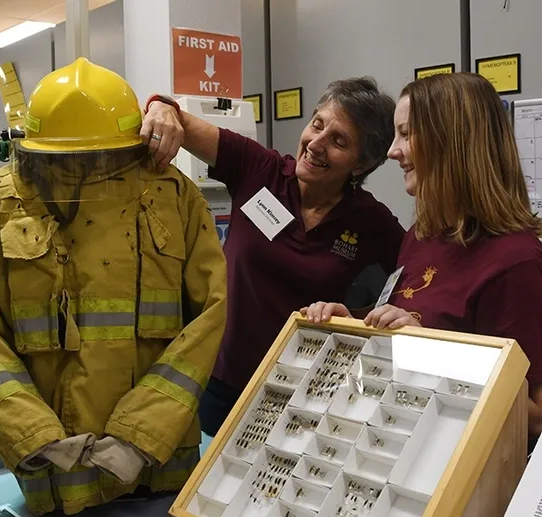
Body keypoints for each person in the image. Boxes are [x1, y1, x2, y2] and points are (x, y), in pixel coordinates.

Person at [0, 58, 227, 516]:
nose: (89, 166)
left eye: (102, 155)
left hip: (162, 472)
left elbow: (208, 319)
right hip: (52, 476)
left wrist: (143, 434)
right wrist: (31, 435)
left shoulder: (175, 199)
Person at [142, 79, 405, 436]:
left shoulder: (371, 222)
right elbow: (177, 117)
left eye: (339, 140)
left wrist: (356, 319)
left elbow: (408, 283)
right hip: (220, 380)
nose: (316, 143)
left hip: (304, 396)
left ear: (361, 165)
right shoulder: (259, 170)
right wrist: (159, 106)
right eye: (316, 124)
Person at [302, 72, 542, 445]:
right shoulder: (422, 235)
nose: (393, 151)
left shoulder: (516, 262)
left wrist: (433, 349)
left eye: (407, 134)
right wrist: (360, 329)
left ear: (453, 143)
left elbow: (534, 421)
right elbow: (410, 327)